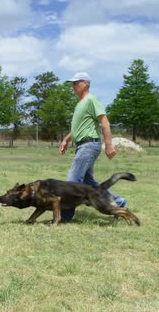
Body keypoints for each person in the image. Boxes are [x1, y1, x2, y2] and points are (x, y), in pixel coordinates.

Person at [59, 72, 127, 222]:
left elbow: (104, 122)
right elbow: (78, 128)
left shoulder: (91, 100)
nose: (73, 86)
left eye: (76, 83)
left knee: (72, 182)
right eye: (72, 83)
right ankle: (118, 202)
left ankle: (64, 217)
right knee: (89, 183)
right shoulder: (80, 104)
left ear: (85, 84)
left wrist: (109, 145)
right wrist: (66, 140)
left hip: (89, 145)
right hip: (82, 146)